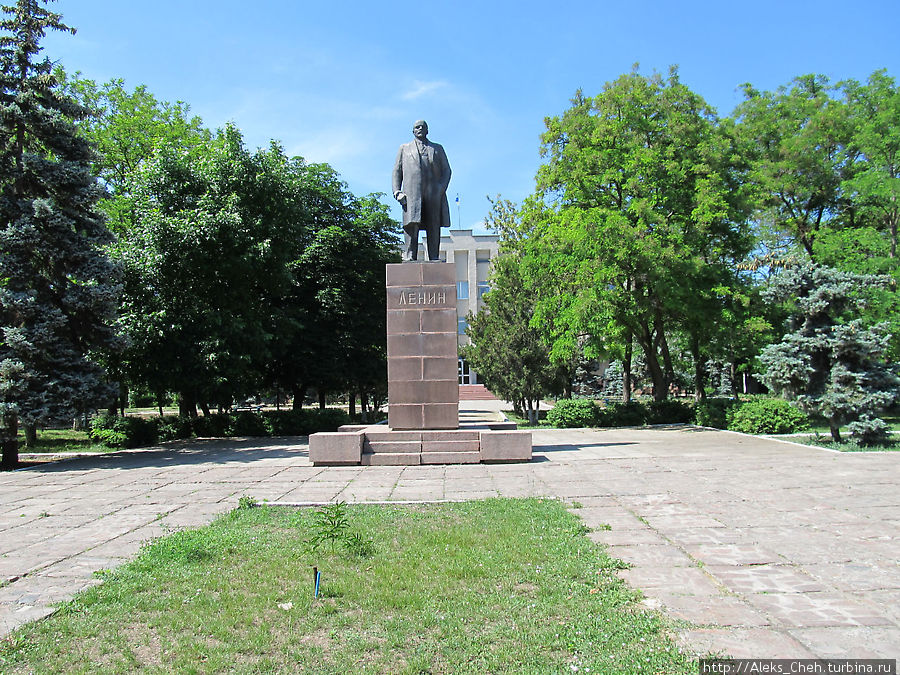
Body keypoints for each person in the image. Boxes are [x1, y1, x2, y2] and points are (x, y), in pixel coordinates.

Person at [392, 120, 451, 261]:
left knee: (434, 225)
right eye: (417, 127)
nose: (420, 129)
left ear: (427, 130)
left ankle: (434, 256)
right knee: (411, 224)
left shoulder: (437, 148)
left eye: (422, 127)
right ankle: (410, 256)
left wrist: (440, 188)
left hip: (433, 194)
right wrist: (397, 191)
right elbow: (397, 171)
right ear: (413, 131)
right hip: (412, 193)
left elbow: (447, 171)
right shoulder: (404, 148)